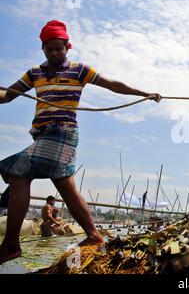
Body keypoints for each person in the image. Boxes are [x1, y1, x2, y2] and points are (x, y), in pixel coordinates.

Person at [0, 20, 161, 264]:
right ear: (43, 48)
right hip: (43, 136)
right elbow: (7, 96)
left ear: (67, 47)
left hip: (63, 134)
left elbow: (112, 85)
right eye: (50, 49)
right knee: (67, 188)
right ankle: (94, 235)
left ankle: (11, 245)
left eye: (59, 48)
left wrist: (144, 94)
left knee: (19, 171)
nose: (55, 53)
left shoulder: (79, 70)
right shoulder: (35, 73)